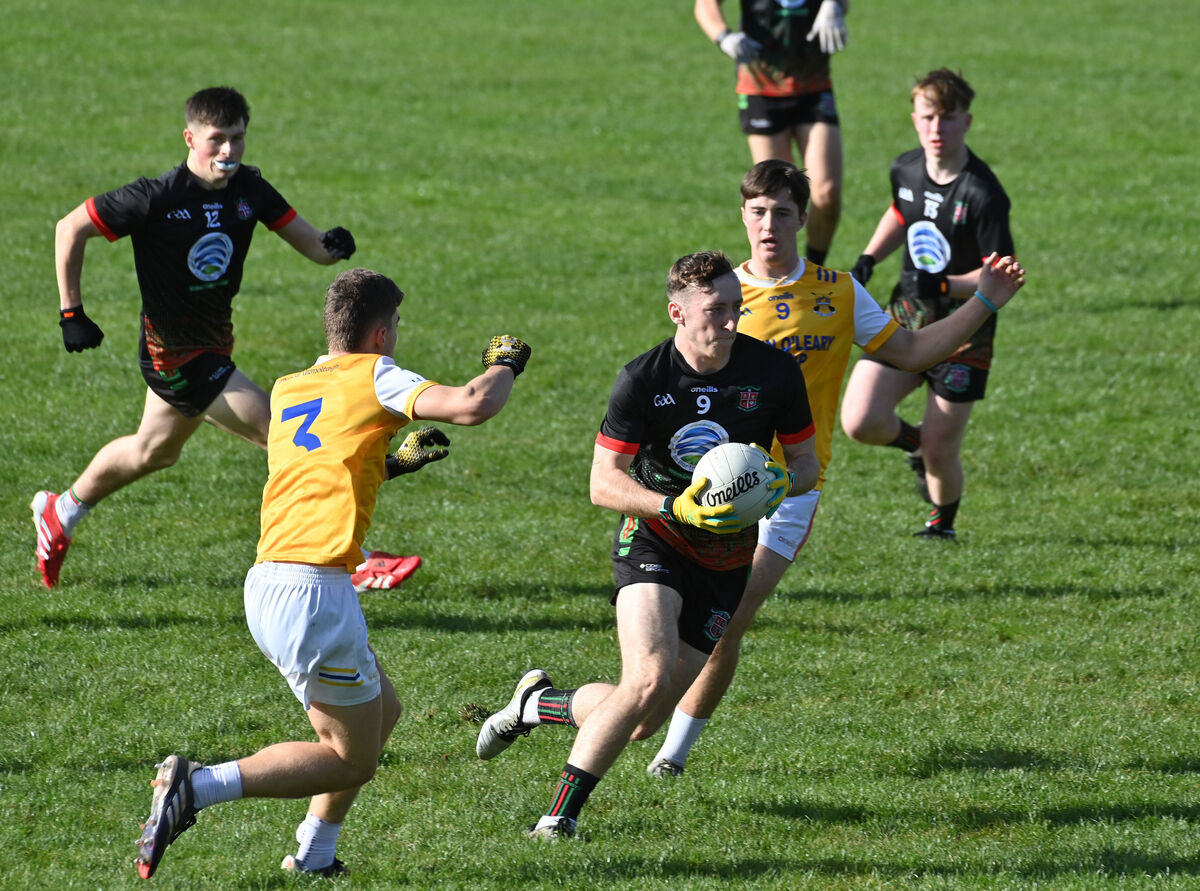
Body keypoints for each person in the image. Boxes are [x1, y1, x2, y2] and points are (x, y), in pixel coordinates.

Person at [134, 267, 531, 879]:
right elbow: (473, 405)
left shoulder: (294, 385)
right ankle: (197, 786)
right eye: (395, 326)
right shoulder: (376, 373)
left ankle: (315, 853)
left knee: (384, 712)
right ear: (379, 332)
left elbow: (319, 468)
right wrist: (503, 363)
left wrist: (389, 465)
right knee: (351, 759)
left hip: (269, 582)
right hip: (314, 596)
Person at [643, 160, 1025, 776]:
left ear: (804, 218)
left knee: (728, 617)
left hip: (792, 488)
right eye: (758, 212)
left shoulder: (839, 292)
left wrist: (985, 298)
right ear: (743, 215)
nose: (769, 225)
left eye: (783, 213)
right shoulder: (717, 298)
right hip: (709, 488)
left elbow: (913, 349)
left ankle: (667, 752)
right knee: (697, 622)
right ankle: (642, 720)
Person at [474, 250, 820, 839]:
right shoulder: (644, 378)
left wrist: (777, 483)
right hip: (654, 538)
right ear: (677, 313)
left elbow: (808, 465)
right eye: (716, 311)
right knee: (648, 679)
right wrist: (672, 506)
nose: (731, 322)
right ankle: (557, 820)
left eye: (737, 308)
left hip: (727, 561)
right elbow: (602, 482)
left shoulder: (775, 373)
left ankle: (538, 705)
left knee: (639, 721)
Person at [32, 86, 412, 593]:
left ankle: (61, 511)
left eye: (237, 139)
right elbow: (69, 228)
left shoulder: (249, 192)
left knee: (153, 451)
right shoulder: (156, 197)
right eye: (216, 141)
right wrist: (71, 312)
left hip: (212, 346)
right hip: (177, 356)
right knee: (288, 434)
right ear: (190, 138)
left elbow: (308, 243)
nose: (228, 152)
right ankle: (356, 559)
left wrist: (332, 248)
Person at [840, 68, 1016, 539]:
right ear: (914, 118)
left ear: (967, 122)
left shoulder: (983, 193)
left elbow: (1000, 274)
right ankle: (914, 444)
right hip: (908, 320)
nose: (937, 129)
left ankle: (942, 526)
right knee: (860, 420)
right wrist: (868, 257)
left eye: (948, 118)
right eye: (928, 117)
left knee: (944, 448)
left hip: (965, 329)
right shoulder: (906, 168)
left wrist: (943, 286)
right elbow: (902, 210)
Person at [694, 0, 849, 265]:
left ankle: (814, 268)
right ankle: (777, 277)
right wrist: (724, 37)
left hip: (814, 84)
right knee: (773, 195)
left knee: (827, 192)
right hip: (761, 87)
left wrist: (835, 4)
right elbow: (705, 4)